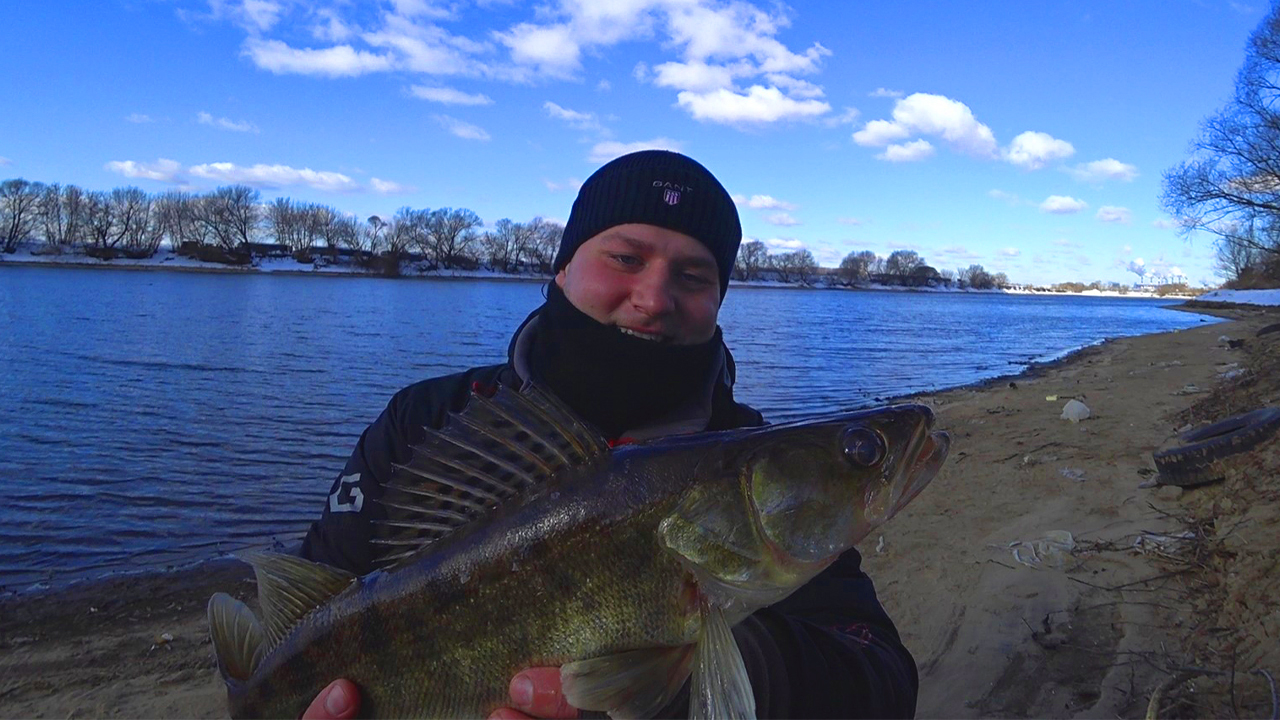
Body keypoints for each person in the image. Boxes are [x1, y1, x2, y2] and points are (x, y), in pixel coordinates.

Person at [296, 150, 919, 719]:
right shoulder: (427, 421)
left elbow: (881, 681)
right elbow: (306, 608)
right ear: (564, 267)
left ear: (720, 299)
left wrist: (703, 682)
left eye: (695, 276)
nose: (653, 297)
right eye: (625, 258)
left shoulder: (747, 452)